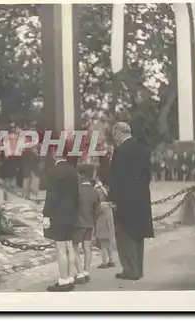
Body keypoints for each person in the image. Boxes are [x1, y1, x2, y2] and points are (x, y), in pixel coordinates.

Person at [109, 122, 154, 281]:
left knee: (124, 235)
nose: (114, 139)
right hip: (141, 198)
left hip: (125, 200)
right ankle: (138, 269)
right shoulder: (143, 149)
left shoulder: (120, 151)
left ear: (119, 133)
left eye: (114, 135)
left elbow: (115, 178)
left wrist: (113, 198)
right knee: (138, 235)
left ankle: (129, 269)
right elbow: (148, 175)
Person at [42, 146, 79, 292]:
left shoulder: (52, 172)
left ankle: (63, 280)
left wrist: (46, 214)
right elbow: (77, 195)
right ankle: (70, 277)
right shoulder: (73, 172)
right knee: (70, 247)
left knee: (61, 248)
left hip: (58, 215)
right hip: (71, 214)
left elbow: (51, 196)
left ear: (55, 155)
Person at [72, 164, 99, 285]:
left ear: (81, 175)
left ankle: (79, 273)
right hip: (89, 223)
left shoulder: (77, 191)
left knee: (75, 249)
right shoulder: (94, 192)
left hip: (78, 224)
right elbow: (97, 211)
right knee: (87, 248)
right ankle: (86, 271)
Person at [94, 179, 116, 269]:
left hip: (102, 225)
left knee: (103, 244)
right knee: (109, 244)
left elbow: (96, 214)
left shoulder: (100, 206)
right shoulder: (110, 206)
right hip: (110, 226)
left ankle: (104, 261)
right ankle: (111, 260)